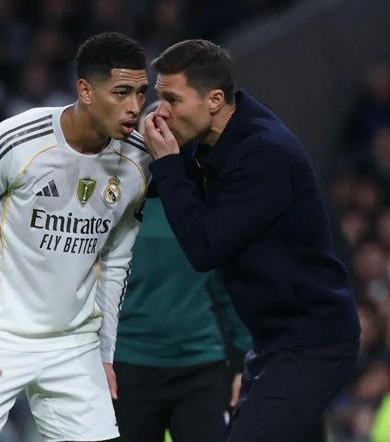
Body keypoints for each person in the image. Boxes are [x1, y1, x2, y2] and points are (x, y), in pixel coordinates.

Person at [0, 32, 150, 442]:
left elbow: (116, 260)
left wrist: (105, 352)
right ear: (85, 90)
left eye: (141, 93)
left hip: (74, 344)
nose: (134, 107)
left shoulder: (138, 159)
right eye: (121, 93)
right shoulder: (16, 141)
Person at [143, 39, 361, 441]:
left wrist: (167, 164)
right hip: (275, 340)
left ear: (214, 100)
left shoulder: (263, 153)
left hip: (312, 342)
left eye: (172, 99)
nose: (161, 112)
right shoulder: (210, 141)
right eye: (159, 98)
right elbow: (165, 191)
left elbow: (205, 247)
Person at [114, 101, 251, 442]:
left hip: (201, 368)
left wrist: (245, 362)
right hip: (127, 367)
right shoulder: (114, 206)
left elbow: (231, 291)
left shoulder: (210, 207)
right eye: (156, 131)